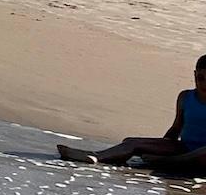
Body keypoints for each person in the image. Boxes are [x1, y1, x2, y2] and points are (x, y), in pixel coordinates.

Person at [58, 54, 206, 170]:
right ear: (194, 75)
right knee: (130, 142)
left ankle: (169, 162)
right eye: (201, 78)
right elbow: (175, 129)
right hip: (184, 147)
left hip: (202, 155)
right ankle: (97, 156)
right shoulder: (185, 97)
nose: (204, 83)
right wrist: (160, 146)